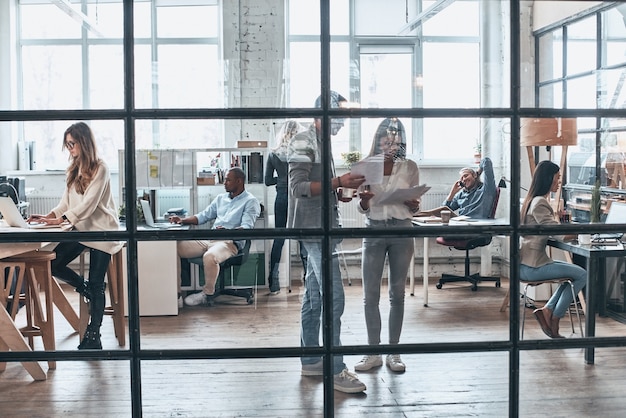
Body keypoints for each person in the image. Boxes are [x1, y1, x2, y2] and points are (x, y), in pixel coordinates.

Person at [287, 91, 367, 394]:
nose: (343, 124)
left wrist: (340, 192)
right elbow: (298, 188)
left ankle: (310, 359)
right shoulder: (304, 140)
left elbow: (320, 187)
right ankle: (336, 368)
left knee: (315, 297)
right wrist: (338, 182)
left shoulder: (322, 143)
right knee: (334, 298)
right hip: (313, 231)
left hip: (321, 229)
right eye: (340, 117)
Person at [28, 122, 123, 350]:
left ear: (84, 142)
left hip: (101, 230)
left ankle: (93, 337)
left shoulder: (101, 167)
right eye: (67, 145)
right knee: (53, 263)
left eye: (72, 144)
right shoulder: (73, 168)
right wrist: (48, 216)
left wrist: (60, 220)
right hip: (81, 229)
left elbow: (89, 205)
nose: (69, 149)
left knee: (98, 283)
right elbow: (65, 203)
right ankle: (85, 288)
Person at [354, 118, 420, 374]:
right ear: (378, 139)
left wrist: (414, 205)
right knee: (370, 295)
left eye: (395, 138)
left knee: (397, 294)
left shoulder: (410, 166)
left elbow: (415, 204)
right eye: (385, 138)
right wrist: (365, 201)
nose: (390, 142)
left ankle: (394, 351)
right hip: (374, 229)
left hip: (402, 230)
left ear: (401, 141)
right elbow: (361, 207)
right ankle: (373, 352)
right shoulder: (367, 165)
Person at [173, 167, 261, 307]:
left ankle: (206, 294)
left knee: (210, 256)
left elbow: (246, 227)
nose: (224, 183)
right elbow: (203, 216)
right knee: (174, 248)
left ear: (239, 181)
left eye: (228, 180)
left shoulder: (251, 202)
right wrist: (182, 220)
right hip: (211, 238)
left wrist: (228, 231)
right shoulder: (221, 199)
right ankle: (175, 295)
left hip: (230, 242)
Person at [519, 160, 587, 338]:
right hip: (533, 267)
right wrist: (584, 231)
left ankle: (548, 310)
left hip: (526, 264)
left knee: (571, 276)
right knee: (582, 274)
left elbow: (548, 229)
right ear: (548, 179)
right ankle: (555, 317)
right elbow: (558, 234)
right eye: (557, 178)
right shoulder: (540, 202)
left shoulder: (530, 200)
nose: (559, 182)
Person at [264, 120, 307, 295]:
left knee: (279, 237)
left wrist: (282, 180)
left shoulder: (273, 153)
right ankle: (308, 278)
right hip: (299, 196)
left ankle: (273, 282)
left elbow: (267, 181)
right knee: (304, 237)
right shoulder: (302, 152)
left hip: (281, 196)